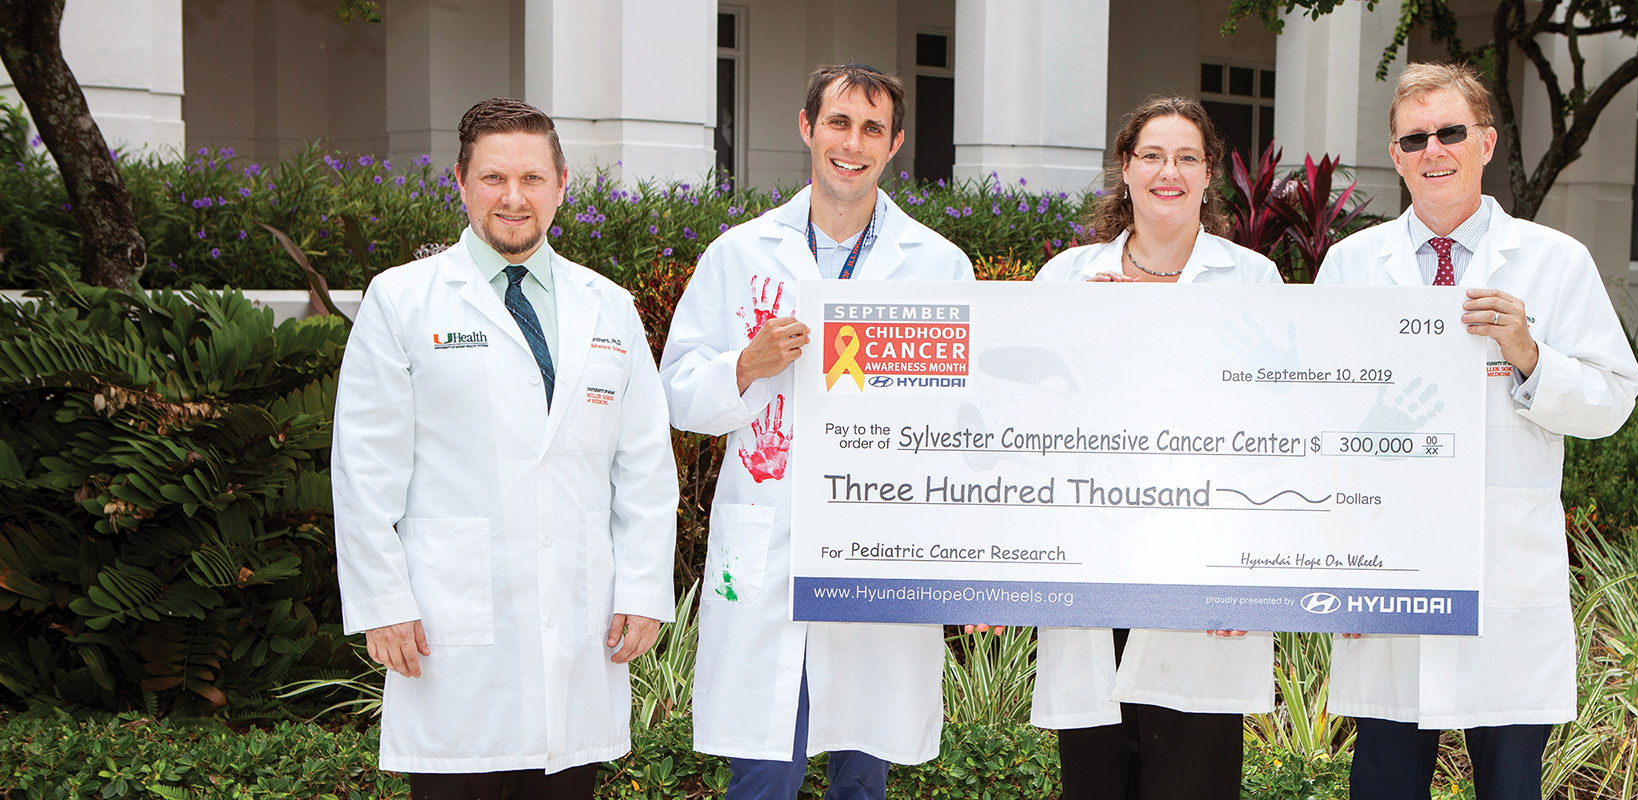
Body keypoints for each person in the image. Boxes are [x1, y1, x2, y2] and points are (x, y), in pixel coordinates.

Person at [333, 97, 681, 799]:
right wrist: (381, 600)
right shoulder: (402, 300)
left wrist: (644, 588)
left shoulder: (608, 307)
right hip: (451, 626)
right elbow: (365, 467)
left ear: (561, 186)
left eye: (532, 178)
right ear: (460, 182)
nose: (513, 198)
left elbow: (643, 463)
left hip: (580, 624)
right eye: (493, 178)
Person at [1314, 63, 1638, 800]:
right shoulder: (1352, 265)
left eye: (1451, 132)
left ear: (1486, 143)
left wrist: (1530, 356)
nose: (1435, 150)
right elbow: (1319, 425)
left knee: (1509, 787)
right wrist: (1343, 568)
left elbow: (1613, 400)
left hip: (1502, 572)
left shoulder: (1555, 263)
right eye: (1415, 138)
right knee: (1384, 785)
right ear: (1396, 156)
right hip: (1390, 572)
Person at [658, 64, 974, 800]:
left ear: (894, 143)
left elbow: (966, 422)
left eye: (872, 129)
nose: (852, 143)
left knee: (863, 774)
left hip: (879, 548)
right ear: (807, 128)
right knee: (763, 775)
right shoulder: (739, 255)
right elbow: (677, 394)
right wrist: (745, 365)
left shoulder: (936, 265)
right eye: (838, 123)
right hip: (772, 546)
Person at [1027, 97, 1280, 800]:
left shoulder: (1253, 283)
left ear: (1209, 177)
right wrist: (1089, 339)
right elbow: (1025, 430)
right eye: (1152, 156)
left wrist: (1253, 580)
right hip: (1093, 566)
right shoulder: (1067, 281)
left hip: (1203, 572)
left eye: (1186, 157)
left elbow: (1278, 437)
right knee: (1097, 780)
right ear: (1126, 170)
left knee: (1192, 778)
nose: (1168, 172)